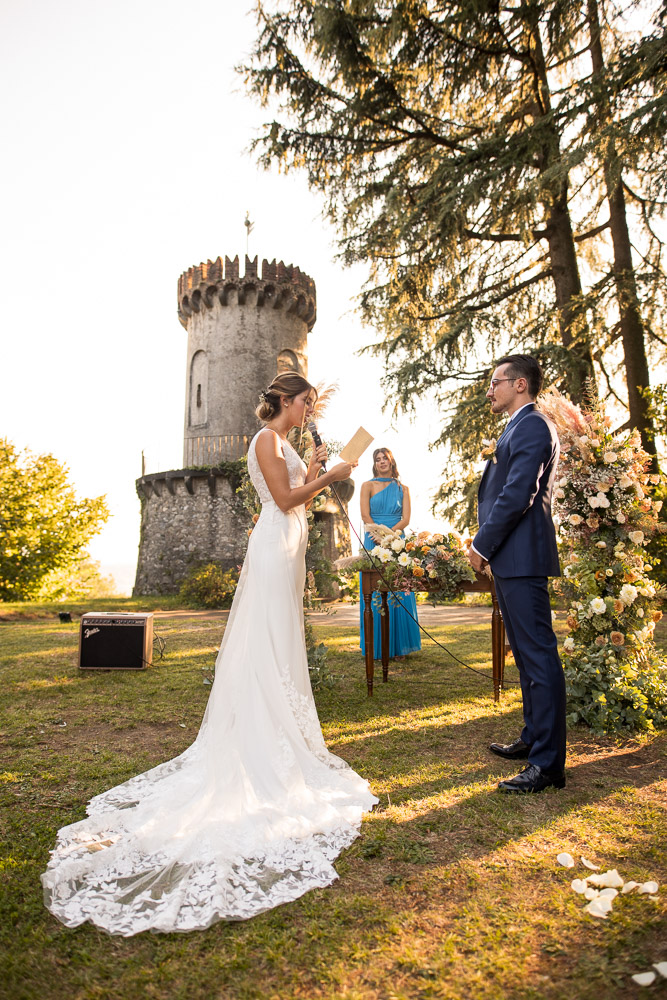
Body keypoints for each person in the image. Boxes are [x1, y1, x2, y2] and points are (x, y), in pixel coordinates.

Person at [41, 372, 377, 935]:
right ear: (286, 402)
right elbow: (285, 499)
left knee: (282, 641)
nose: (307, 412)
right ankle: (259, 737)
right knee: (266, 641)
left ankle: (279, 730)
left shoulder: (288, 444)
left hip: (289, 549)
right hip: (273, 549)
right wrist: (332, 478)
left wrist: (319, 465)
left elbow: (300, 492)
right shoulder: (265, 441)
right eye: (304, 404)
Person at [467, 355, 566, 794]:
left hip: (521, 557)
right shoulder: (515, 426)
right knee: (525, 656)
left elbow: (518, 494)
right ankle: (533, 738)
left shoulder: (533, 425)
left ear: (520, 384)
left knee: (539, 657)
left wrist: (480, 545)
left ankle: (548, 765)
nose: (490, 389)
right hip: (510, 558)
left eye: (496, 382)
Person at [359, 448, 421, 658]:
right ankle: (376, 645)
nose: (382, 462)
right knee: (374, 587)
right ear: (374, 464)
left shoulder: (403, 488)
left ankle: (399, 646)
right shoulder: (367, 485)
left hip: (395, 540)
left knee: (398, 586)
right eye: (378, 459)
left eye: (385, 458)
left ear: (392, 461)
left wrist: (389, 536)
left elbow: (406, 519)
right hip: (372, 538)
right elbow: (365, 514)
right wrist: (377, 533)